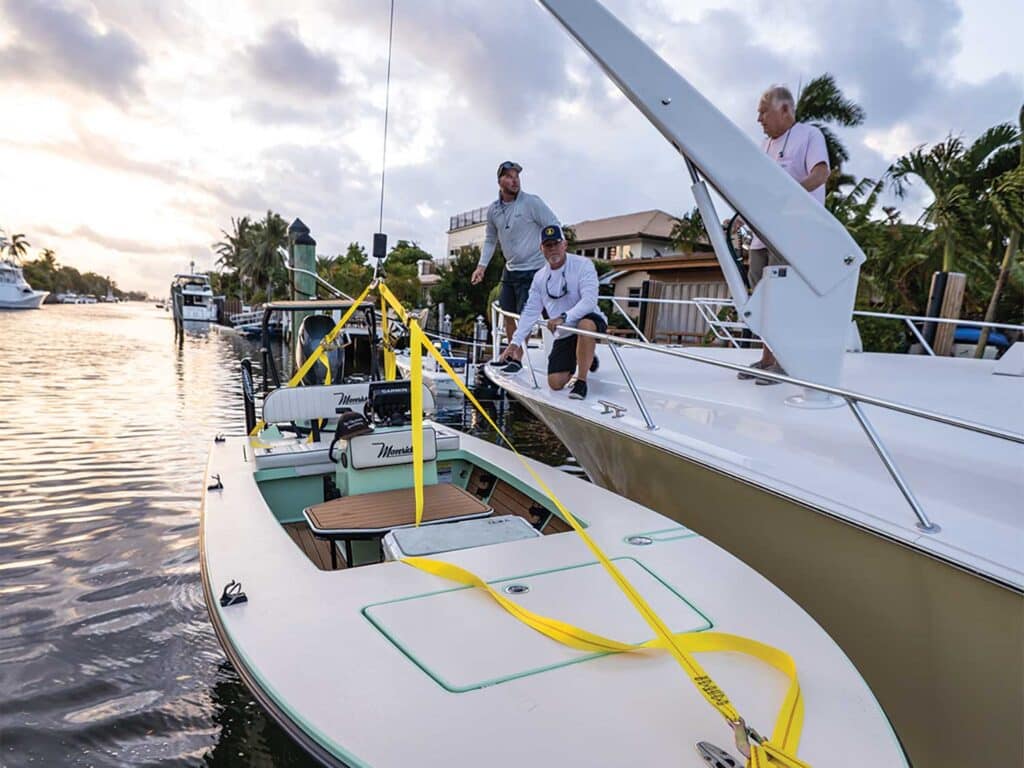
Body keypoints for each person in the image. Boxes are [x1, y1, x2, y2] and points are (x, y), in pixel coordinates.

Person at [739, 84, 830, 385]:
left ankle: (784, 361)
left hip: (793, 232)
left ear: (786, 110)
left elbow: (821, 173)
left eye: (763, 112)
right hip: (762, 234)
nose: (759, 120)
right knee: (763, 298)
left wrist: (790, 197)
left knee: (784, 296)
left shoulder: (809, 135)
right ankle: (767, 359)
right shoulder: (764, 146)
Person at [495, 225, 606, 400]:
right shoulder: (539, 277)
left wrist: (564, 317)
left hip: (588, 320)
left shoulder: (583, 265)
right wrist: (514, 344)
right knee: (555, 383)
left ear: (565, 245)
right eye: (548, 245)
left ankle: (581, 381)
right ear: (541, 249)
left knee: (585, 325)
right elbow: (530, 312)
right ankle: (587, 356)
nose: (552, 248)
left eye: (556, 243)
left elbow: (589, 301)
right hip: (565, 331)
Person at [471, 161, 560, 354]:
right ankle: (514, 354)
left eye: (516, 176)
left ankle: (516, 357)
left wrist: (554, 255)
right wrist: (481, 266)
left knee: (525, 316)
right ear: (499, 181)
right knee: (508, 314)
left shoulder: (531, 202)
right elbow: (490, 239)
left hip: (534, 269)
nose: (514, 180)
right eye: (509, 176)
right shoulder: (493, 210)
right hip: (511, 270)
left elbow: (553, 225)